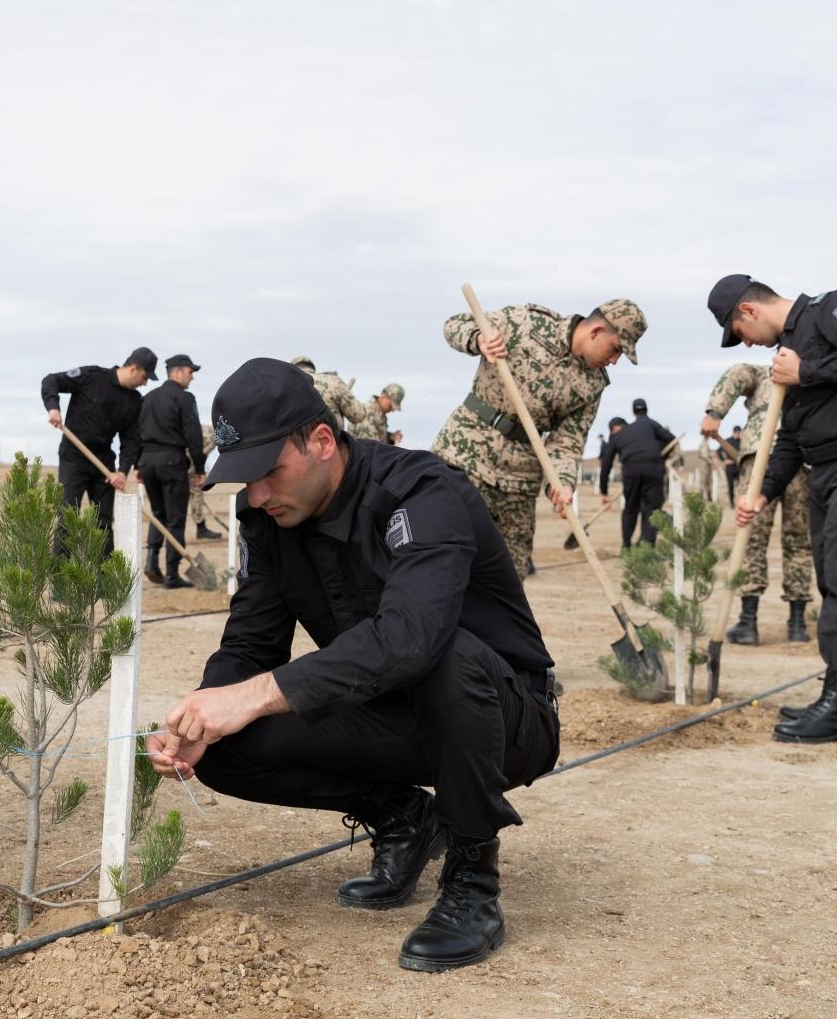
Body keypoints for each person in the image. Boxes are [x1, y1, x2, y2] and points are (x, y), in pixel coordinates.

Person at [150, 359, 558, 972]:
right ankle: (405, 818)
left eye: (266, 472)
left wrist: (254, 695)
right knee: (227, 744)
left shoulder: (422, 491)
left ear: (319, 441)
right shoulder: (267, 518)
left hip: (504, 721)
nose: (256, 494)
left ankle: (473, 882)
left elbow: (410, 640)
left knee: (443, 653)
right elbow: (251, 641)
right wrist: (203, 714)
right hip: (392, 714)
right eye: (243, 481)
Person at [709, 274, 837, 744]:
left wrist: (808, 371)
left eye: (739, 333)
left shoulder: (832, 308)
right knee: (834, 581)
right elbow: (792, 436)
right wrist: (764, 492)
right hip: (827, 471)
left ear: (749, 311)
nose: (748, 345)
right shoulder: (788, 356)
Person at [431, 297, 647, 578]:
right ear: (596, 332)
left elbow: (567, 443)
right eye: (616, 349)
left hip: (519, 480)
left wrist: (563, 483)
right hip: (464, 457)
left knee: (509, 575)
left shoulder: (593, 384)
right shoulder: (528, 322)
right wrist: (477, 340)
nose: (615, 360)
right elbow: (454, 325)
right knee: (440, 556)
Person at [703, 362, 813, 645]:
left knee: (751, 536)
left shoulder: (768, 371)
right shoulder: (813, 369)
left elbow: (737, 372)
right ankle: (797, 625)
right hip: (803, 454)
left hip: (762, 452)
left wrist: (715, 412)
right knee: (799, 540)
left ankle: (748, 621)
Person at [41, 348, 154, 548]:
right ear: (133, 369)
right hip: (73, 458)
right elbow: (51, 380)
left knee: (102, 522)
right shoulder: (92, 377)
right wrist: (53, 408)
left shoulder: (134, 402)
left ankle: (104, 578)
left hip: (103, 463)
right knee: (67, 516)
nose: (144, 383)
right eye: (144, 377)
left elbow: (130, 441)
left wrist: (122, 471)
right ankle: (60, 574)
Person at [137, 354, 205, 588]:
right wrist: (200, 466)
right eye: (189, 371)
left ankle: (152, 561)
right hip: (171, 461)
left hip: (147, 462)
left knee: (159, 516)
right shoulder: (185, 398)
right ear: (176, 372)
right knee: (175, 519)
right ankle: (172, 574)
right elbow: (194, 435)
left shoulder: (148, 398)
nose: (192, 376)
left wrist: (138, 464)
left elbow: (136, 432)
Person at [598, 401, 677, 549]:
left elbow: (606, 464)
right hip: (653, 468)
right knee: (652, 508)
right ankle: (647, 545)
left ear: (633, 412)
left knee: (631, 508)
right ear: (646, 409)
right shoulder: (651, 425)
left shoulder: (618, 436)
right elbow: (672, 439)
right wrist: (658, 455)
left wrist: (604, 491)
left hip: (631, 470)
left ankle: (626, 545)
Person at [291, 356, 357, 430]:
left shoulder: (284, 384)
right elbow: (358, 415)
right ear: (312, 367)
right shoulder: (334, 381)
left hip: (293, 439)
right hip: (330, 437)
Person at [186, 422, 224, 540]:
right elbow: (199, 454)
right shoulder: (212, 436)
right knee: (196, 492)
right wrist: (199, 470)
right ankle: (201, 529)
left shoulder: (210, 432)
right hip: (186, 462)